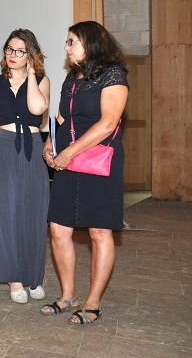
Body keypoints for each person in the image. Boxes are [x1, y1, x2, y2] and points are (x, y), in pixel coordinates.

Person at [42, 21, 129, 325]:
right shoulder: (72, 77)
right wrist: (51, 143)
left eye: (71, 42)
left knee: (98, 232)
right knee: (58, 229)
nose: (66, 47)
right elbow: (62, 117)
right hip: (69, 161)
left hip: (98, 161)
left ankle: (93, 303)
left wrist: (69, 152)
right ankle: (69, 296)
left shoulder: (113, 74)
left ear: (90, 43)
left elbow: (108, 123)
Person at [0, 29, 51, 303]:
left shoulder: (42, 81)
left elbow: (37, 109)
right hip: (3, 150)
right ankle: (14, 279)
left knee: (32, 213)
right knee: (6, 214)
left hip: (31, 151)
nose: (12, 55)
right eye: (9, 49)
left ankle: (33, 276)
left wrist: (30, 75)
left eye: (20, 51)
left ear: (30, 55)